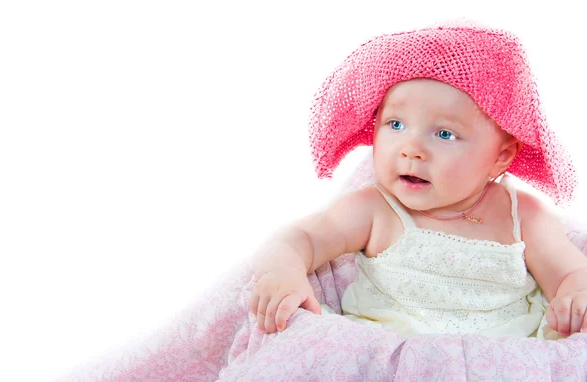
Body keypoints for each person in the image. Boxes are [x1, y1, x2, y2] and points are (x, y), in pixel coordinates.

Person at [248, 20, 587, 339]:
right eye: (396, 124)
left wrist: (576, 296)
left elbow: (571, 273)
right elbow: (300, 237)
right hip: (388, 359)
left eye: (444, 134)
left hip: (503, 358)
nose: (411, 149)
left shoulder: (524, 216)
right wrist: (284, 273)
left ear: (500, 157)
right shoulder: (374, 209)